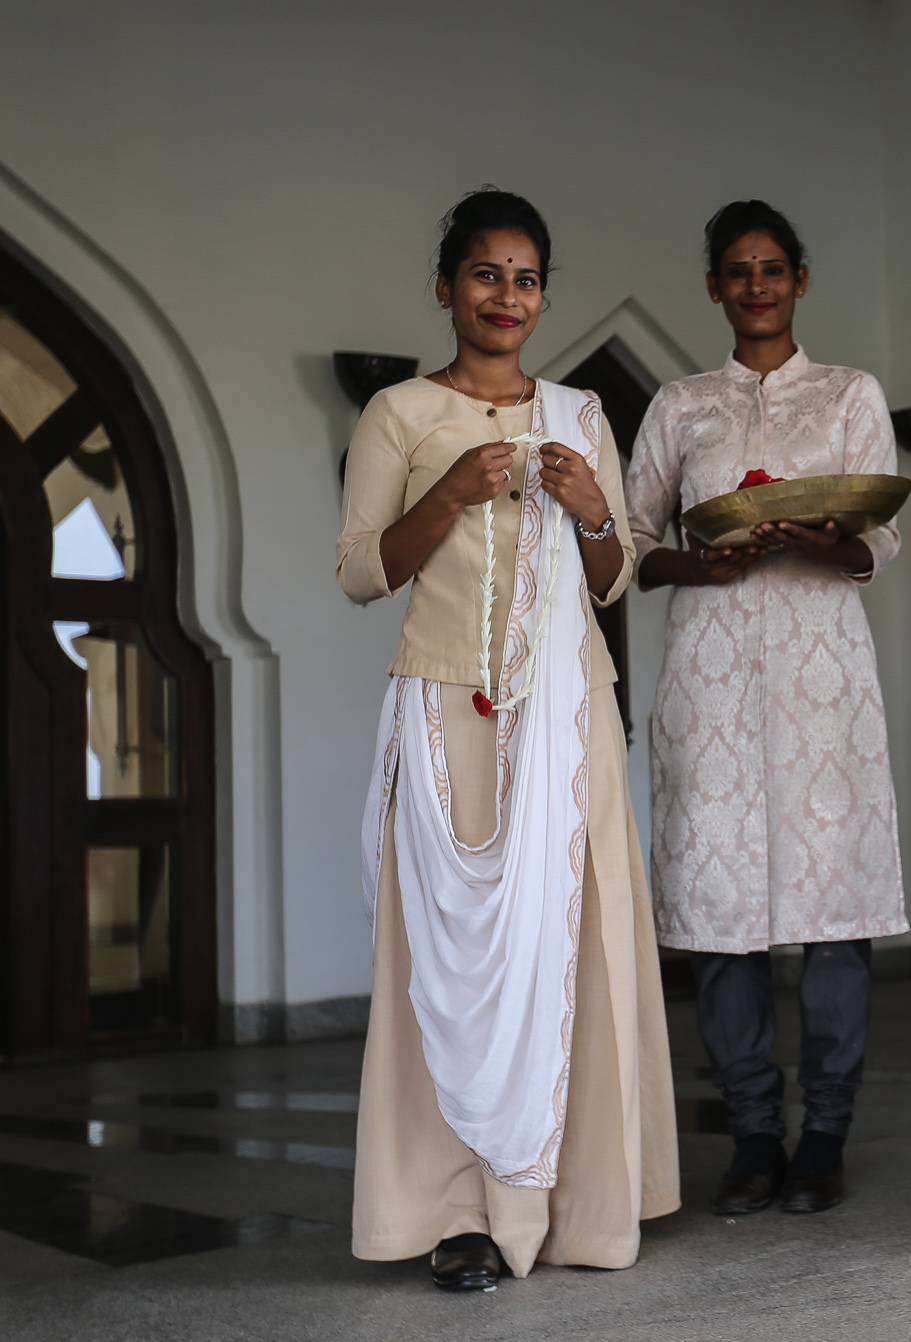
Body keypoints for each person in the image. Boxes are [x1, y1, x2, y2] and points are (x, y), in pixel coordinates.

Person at [337, 188, 678, 1291]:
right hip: (446, 712)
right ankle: (454, 1212)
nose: (507, 296)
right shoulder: (398, 413)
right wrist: (446, 492)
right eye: (487, 274)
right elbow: (360, 570)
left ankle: (579, 1201)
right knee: (451, 964)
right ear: (447, 286)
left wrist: (589, 510)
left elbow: (616, 572)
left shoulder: (581, 416)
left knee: (568, 942)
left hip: (566, 715)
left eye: (527, 278)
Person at [626, 199, 906, 1217]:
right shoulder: (680, 405)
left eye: (773, 269)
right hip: (710, 677)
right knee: (721, 914)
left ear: (799, 280)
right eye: (737, 271)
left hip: (824, 681)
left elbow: (879, 536)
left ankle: (823, 1134)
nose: (756, 286)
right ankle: (752, 1133)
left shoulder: (847, 393)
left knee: (837, 912)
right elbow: (623, 540)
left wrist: (821, 539)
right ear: (714, 287)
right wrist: (696, 561)